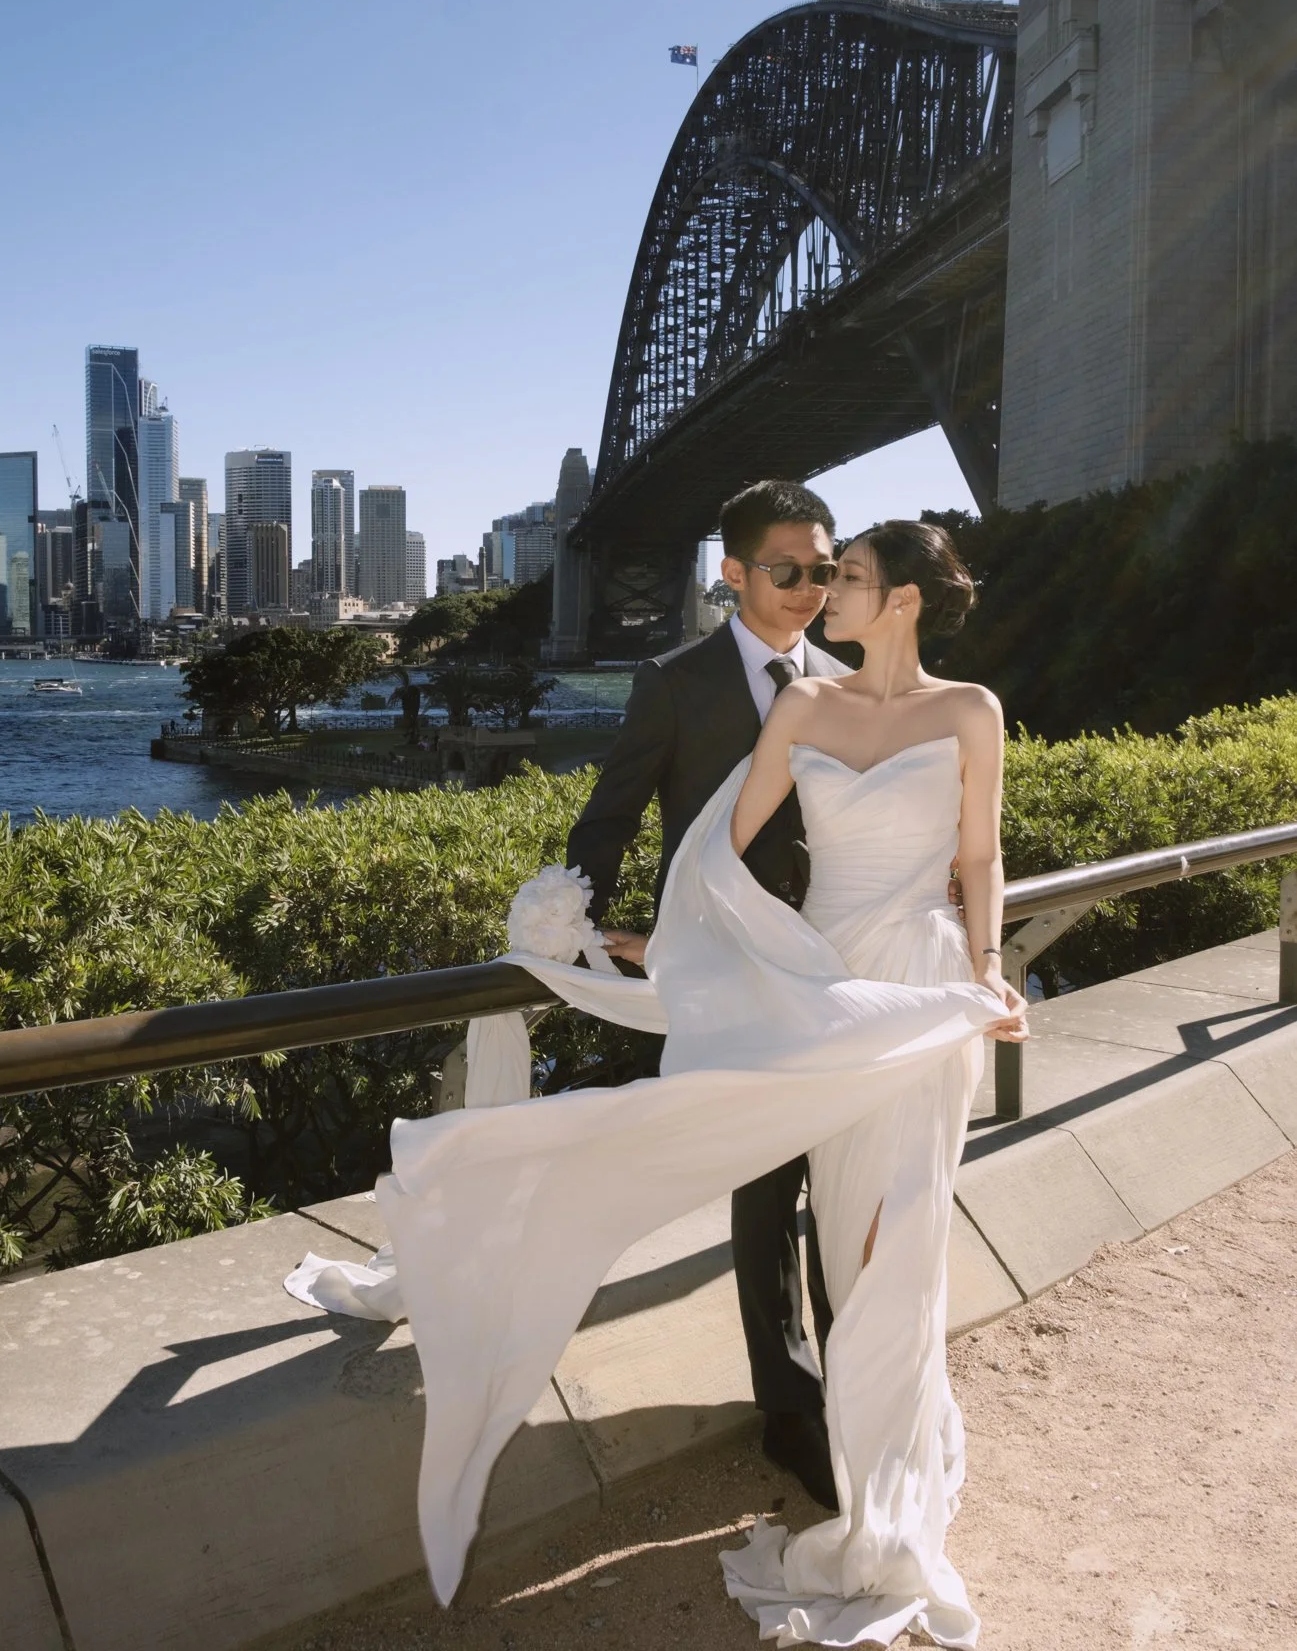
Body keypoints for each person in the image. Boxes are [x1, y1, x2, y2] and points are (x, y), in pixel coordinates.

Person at [363, 516, 1026, 1647]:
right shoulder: (803, 709)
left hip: (919, 994)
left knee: (900, 1238)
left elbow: (978, 858)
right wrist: (652, 945)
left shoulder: (970, 710)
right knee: (841, 1237)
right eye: (817, 571)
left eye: (847, 576)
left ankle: (890, 1516)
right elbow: (718, 848)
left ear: (903, 600)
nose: (825, 591)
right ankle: (867, 1486)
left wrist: (987, 974)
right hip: (814, 992)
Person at [567, 477, 849, 1505]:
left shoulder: (844, 677)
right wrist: (582, 926)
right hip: (730, 974)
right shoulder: (675, 680)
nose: (808, 589)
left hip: (836, 968)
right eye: (787, 570)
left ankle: (849, 1385)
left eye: (823, 570)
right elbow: (612, 816)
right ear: (730, 574)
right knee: (769, 1187)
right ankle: (791, 1410)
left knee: (846, 1176)